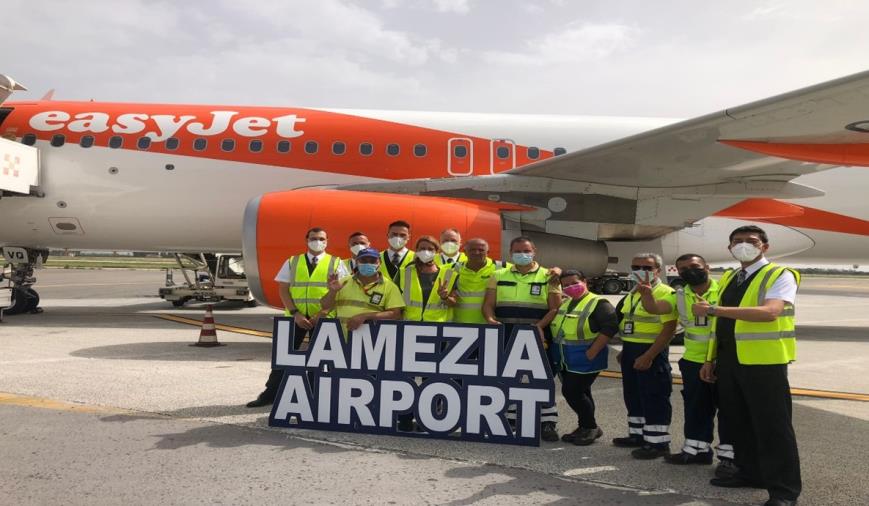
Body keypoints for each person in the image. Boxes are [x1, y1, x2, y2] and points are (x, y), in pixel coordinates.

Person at [694, 225, 801, 506]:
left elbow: (771, 312)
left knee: (773, 427)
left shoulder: (780, 275)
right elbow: (721, 326)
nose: (743, 245)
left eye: (751, 241)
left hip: (764, 363)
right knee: (738, 422)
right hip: (730, 360)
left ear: (765, 246)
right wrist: (711, 359)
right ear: (729, 248)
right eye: (737, 241)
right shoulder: (731, 277)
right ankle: (751, 473)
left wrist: (714, 309)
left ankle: (784, 491)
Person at [637, 254, 735, 474]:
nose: (689, 271)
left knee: (729, 410)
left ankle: (729, 457)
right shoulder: (680, 296)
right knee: (696, 407)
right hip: (692, 361)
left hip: (724, 361)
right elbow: (655, 308)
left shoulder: (725, 292)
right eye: (683, 269)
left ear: (707, 267)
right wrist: (646, 295)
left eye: (694, 266)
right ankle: (696, 450)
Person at [246, 227, 349, 408]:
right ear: (306, 240)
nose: (318, 242)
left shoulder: (336, 262)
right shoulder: (293, 261)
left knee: (321, 361)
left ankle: (315, 396)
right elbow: (283, 289)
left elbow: (342, 292)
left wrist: (322, 313)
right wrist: (295, 313)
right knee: (282, 359)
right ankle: (270, 393)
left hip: (324, 318)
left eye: (322, 239)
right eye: (314, 238)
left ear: (327, 241)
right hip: (295, 318)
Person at [482, 236, 562, 442]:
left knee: (542, 377)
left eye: (526, 250)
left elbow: (555, 307)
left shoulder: (548, 276)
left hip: (537, 333)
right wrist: (490, 319)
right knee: (508, 376)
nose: (522, 255)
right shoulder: (498, 275)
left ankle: (548, 422)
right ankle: (510, 418)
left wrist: (539, 327)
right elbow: (489, 303)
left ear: (534, 250)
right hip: (506, 333)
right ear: (511, 252)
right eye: (517, 251)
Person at [612, 253, 678, 459]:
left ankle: (658, 443)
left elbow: (669, 330)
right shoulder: (633, 292)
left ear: (658, 270)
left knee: (654, 396)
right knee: (633, 395)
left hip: (652, 351)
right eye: (636, 266)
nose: (641, 270)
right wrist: (626, 350)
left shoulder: (665, 292)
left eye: (647, 268)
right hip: (632, 349)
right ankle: (638, 435)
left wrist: (649, 355)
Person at [550, 270, 618, 446]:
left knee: (571, 391)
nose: (570, 288)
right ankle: (584, 427)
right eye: (565, 285)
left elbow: (610, 327)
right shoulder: (566, 304)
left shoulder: (598, 303)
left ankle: (591, 426)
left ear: (584, 281)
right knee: (582, 392)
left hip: (586, 359)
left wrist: (593, 351)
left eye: (574, 283)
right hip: (567, 359)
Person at [320, 247, 404, 337]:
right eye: (363, 260)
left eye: (372, 261)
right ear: (356, 262)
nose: (368, 264)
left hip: (372, 341)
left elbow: (396, 314)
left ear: (380, 262)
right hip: (342, 338)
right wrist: (332, 292)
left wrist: (365, 316)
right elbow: (325, 306)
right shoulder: (343, 282)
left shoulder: (389, 287)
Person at [397, 236, 459, 322]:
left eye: (430, 249)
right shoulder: (403, 273)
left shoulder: (450, 275)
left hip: (437, 327)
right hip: (409, 325)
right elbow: (395, 304)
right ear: (417, 251)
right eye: (422, 249)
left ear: (437, 252)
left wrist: (445, 297)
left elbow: (454, 303)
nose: (426, 251)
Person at [452, 238, 503, 324]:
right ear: (464, 252)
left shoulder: (503, 268)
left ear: (488, 252)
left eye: (481, 250)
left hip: (490, 325)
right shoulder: (452, 269)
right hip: (459, 325)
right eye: (472, 249)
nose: (476, 253)